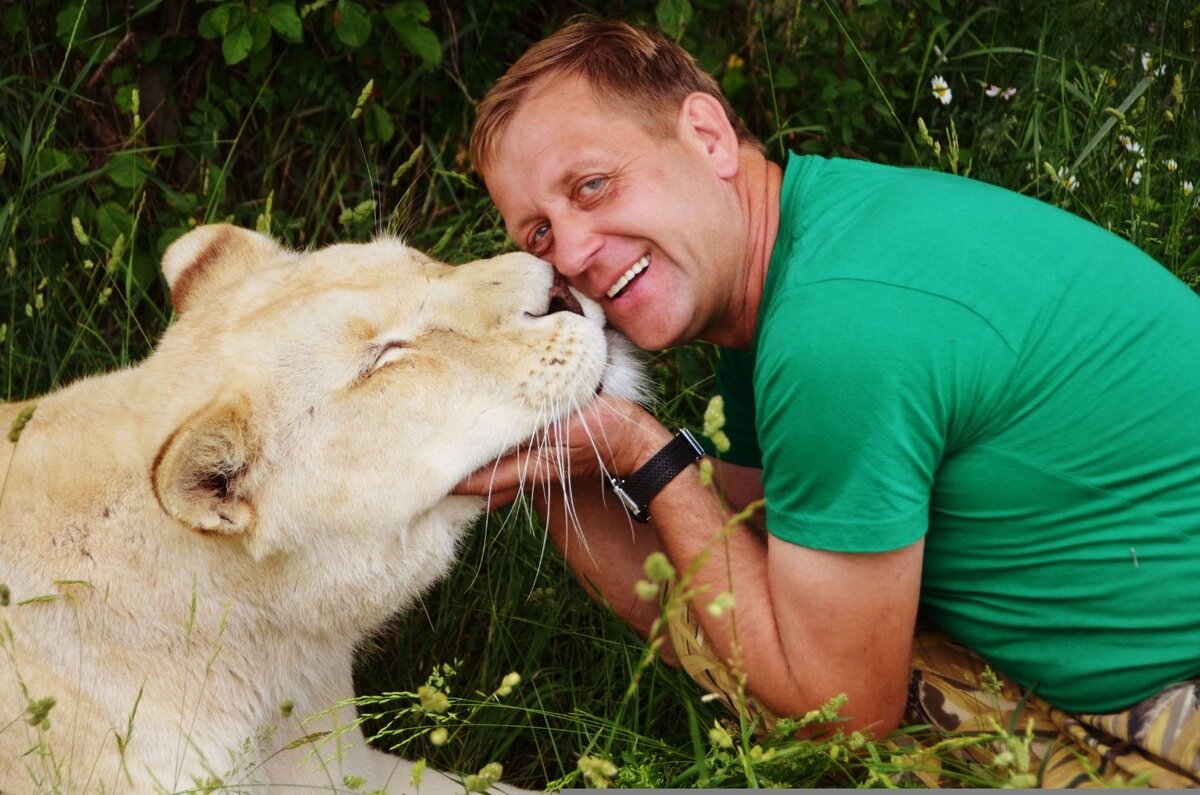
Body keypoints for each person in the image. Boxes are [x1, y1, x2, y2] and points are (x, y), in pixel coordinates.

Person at [457, 17, 1200, 786]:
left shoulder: (835, 334)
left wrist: (644, 453)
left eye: (593, 185)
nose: (573, 252)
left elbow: (836, 715)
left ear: (708, 137)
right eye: (539, 235)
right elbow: (711, 590)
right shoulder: (803, 255)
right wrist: (531, 408)